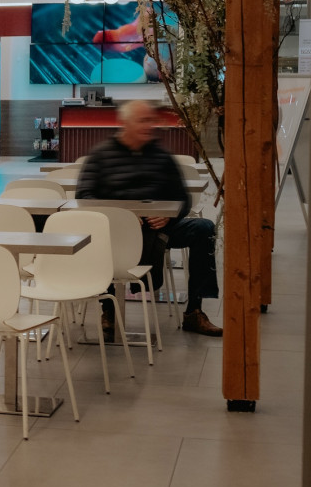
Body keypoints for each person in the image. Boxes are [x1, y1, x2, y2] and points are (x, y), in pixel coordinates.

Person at [75, 99, 222, 337]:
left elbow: (183, 198)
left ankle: (194, 311)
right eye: (142, 121)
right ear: (126, 123)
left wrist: (168, 218)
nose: (148, 126)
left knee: (204, 228)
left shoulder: (162, 157)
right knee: (104, 242)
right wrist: (121, 215)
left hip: (158, 228)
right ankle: (109, 309)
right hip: (116, 231)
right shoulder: (101, 156)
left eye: (150, 121)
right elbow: (84, 196)